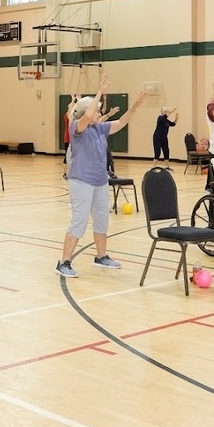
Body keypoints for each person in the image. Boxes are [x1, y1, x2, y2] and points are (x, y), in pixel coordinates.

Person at [56, 76, 147, 278]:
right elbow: (87, 116)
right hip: (81, 180)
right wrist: (99, 92)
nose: (99, 113)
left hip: (100, 181)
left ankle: (101, 257)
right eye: (97, 109)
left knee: (101, 220)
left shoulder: (100, 128)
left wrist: (135, 106)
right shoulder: (77, 127)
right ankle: (64, 262)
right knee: (79, 221)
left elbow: (122, 122)